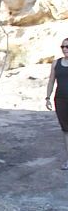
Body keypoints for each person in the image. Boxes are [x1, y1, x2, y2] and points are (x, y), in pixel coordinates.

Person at [45, 38, 68, 170]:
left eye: (67, 46)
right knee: (66, 131)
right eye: (63, 47)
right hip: (61, 100)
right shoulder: (56, 63)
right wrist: (47, 97)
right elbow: (51, 81)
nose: (65, 49)